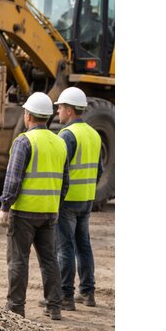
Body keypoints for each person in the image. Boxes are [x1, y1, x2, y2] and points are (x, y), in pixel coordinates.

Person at [0, 92, 69, 320]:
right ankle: (54, 306)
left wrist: (5, 206)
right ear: (48, 117)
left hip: (24, 213)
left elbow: (13, 178)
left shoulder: (24, 141)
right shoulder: (59, 142)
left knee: (19, 259)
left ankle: (15, 307)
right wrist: (54, 204)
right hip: (49, 212)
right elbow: (65, 182)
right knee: (49, 260)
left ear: (27, 115)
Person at [54, 87, 103, 309]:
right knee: (84, 245)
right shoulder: (94, 134)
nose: (58, 113)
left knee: (65, 247)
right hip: (87, 199)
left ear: (70, 110)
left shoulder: (67, 135)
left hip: (68, 200)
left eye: (60, 108)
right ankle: (88, 293)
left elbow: (58, 170)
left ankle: (66, 296)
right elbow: (99, 170)